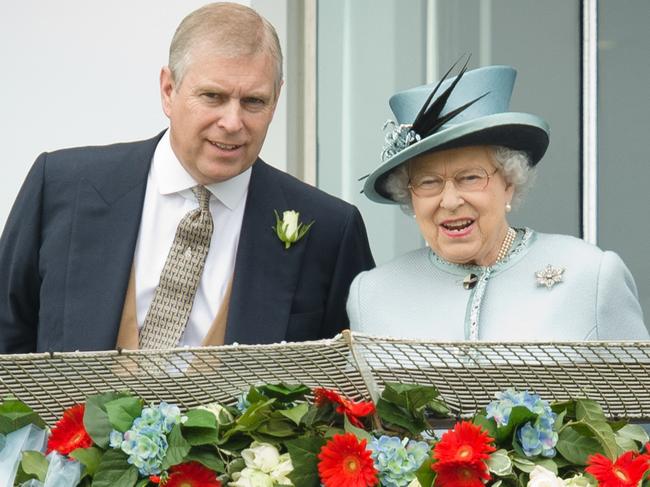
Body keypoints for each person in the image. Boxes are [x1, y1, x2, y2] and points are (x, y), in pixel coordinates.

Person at [0, 2, 374, 353]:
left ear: (276, 100)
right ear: (168, 90)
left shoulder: (330, 231)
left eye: (254, 102)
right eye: (212, 96)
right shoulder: (62, 187)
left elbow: (350, 391)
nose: (232, 123)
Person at [347, 61, 647, 341]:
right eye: (429, 182)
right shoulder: (372, 295)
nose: (450, 201)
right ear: (409, 196)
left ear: (509, 183)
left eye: (470, 177)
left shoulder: (591, 276)